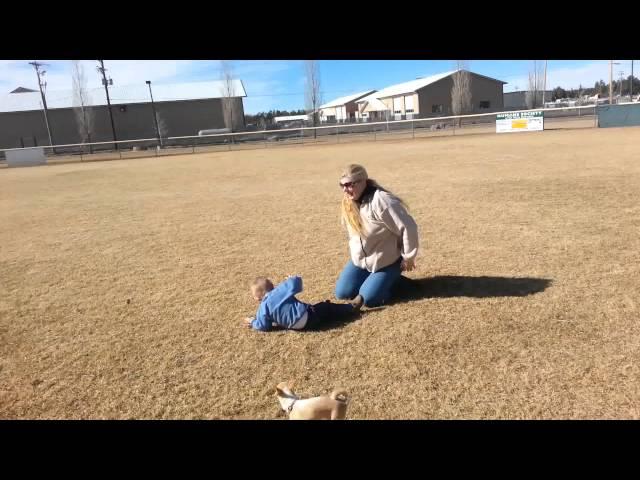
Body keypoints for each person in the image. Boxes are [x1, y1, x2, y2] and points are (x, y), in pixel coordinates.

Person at [334, 164, 419, 308]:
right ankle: (381, 281)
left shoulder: (381, 200)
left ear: (363, 182)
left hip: (387, 261)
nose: (345, 189)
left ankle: (391, 280)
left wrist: (408, 257)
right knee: (343, 293)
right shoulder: (348, 201)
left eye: (349, 184)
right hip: (361, 262)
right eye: (342, 185)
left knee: (369, 299)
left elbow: (408, 227)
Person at [244, 275, 362, 332]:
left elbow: (263, 326)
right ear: (272, 286)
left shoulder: (262, 309)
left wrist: (253, 321)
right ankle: (350, 308)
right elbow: (296, 283)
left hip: (297, 327)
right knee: (326, 307)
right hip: (307, 315)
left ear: (256, 298)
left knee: (324, 316)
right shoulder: (279, 290)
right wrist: (292, 278)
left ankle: (332, 317)